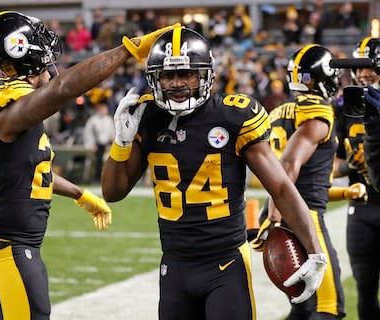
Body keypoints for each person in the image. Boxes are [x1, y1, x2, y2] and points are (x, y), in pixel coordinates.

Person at [0, 10, 178, 320]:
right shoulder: (10, 107)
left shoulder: (4, 105)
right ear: (19, 52)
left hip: (6, 247)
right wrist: (127, 50)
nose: (49, 58)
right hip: (6, 250)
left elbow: (30, 170)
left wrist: (79, 194)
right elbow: (64, 90)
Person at [101, 27, 326, 320]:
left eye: (187, 74)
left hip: (225, 264)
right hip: (174, 265)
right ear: (155, 79)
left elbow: (281, 187)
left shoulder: (232, 117)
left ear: (206, 74)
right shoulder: (147, 116)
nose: (177, 83)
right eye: (168, 75)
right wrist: (121, 143)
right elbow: (112, 192)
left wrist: (314, 251)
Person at [253, 44, 345, 319]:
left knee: (303, 305)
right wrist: (274, 215)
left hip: (286, 213)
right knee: (328, 307)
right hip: (304, 217)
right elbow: (290, 164)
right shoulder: (318, 113)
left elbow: (310, 170)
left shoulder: (281, 111)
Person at [335, 37, 380, 320]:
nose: (363, 74)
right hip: (361, 206)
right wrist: (349, 166)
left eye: (369, 68)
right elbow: (335, 164)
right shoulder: (345, 109)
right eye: (358, 68)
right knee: (364, 289)